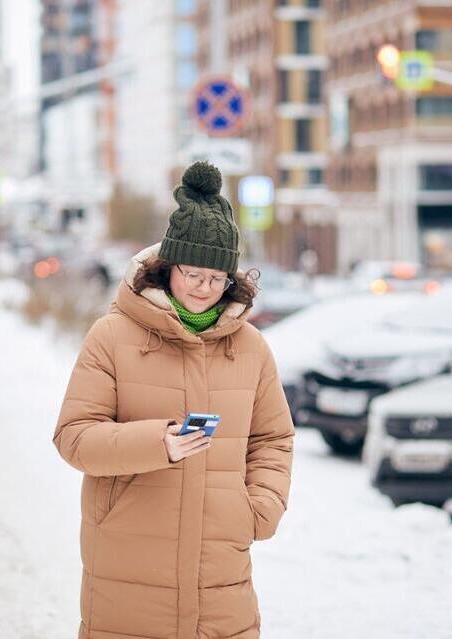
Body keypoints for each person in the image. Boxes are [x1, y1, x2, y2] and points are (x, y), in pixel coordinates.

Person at [53, 162, 294, 639]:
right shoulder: (112, 337)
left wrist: (259, 508)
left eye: (217, 278)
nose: (205, 289)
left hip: (220, 565)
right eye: (193, 274)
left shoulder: (250, 348)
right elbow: (74, 437)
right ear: (168, 268)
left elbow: (273, 438)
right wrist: (156, 442)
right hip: (129, 557)